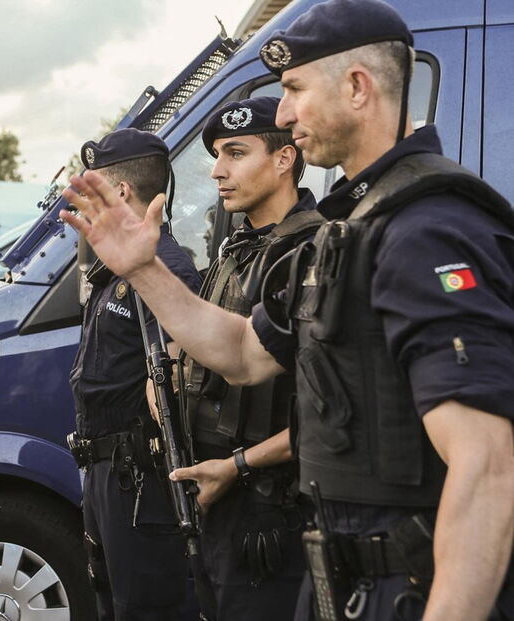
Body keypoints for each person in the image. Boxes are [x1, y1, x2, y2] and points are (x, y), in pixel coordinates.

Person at [59, 0, 514, 618]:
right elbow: (243, 352)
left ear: (357, 87)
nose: (285, 112)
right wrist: (143, 270)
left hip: (410, 587)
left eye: (296, 89)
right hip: (345, 579)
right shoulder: (349, 231)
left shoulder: (427, 228)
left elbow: (486, 466)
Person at [181, 96, 323, 620]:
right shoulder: (235, 250)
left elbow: (325, 409)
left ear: (284, 158)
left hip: (274, 509)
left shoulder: (314, 252)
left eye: (235, 153)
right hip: (217, 496)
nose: (217, 171)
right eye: (217, 155)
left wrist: (237, 466)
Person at [68, 128, 201, 619]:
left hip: (142, 479)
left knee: (146, 608)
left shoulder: (165, 268)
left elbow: (176, 386)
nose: (85, 200)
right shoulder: (116, 266)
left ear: (121, 192)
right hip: (108, 474)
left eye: (94, 187)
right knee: (113, 605)